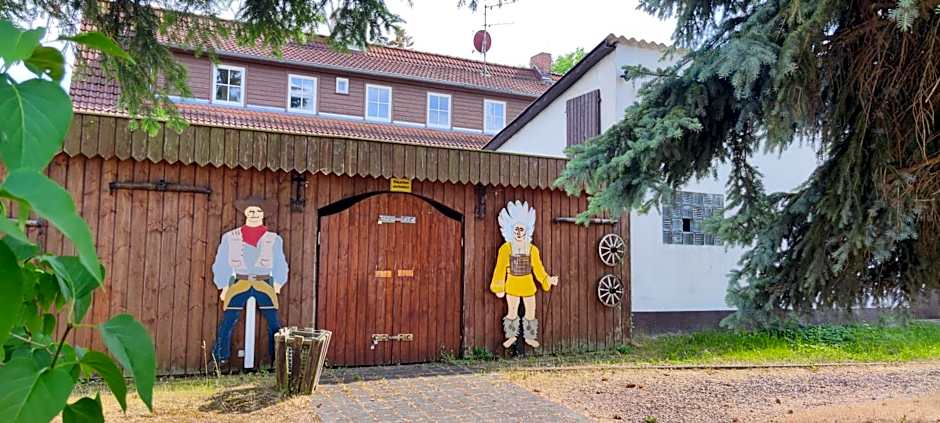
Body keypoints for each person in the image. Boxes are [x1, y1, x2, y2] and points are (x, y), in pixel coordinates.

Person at [211, 197, 288, 366]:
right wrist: (223, 286)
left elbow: (281, 263)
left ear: (263, 215)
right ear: (245, 213)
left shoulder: (274, 239)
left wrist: (278, 284)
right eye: (251, 211)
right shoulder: (230, 237)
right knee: (228, 321)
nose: (254, 215)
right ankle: (220, 358)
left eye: (258, 212)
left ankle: (277, 361)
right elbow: (221, 262)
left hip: (264, 284)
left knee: (274, 323)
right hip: (239, 283)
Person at [490, 200, 559, 348]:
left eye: (522, 229)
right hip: (512, 284)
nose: (519, 233)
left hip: (528, 284)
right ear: (511, 230)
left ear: (527, 230)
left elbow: (538, 268)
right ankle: (510, 336)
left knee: (530, 311)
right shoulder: (505, 249)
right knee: (512, 311)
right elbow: (500, 268)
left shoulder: (532, 249)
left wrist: (547, 279)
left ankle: (529, 337)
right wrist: (498, 287)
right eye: (516, 229)